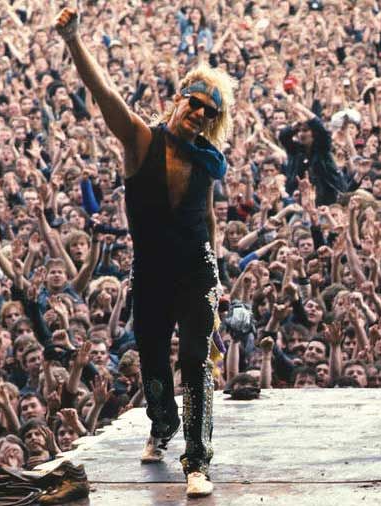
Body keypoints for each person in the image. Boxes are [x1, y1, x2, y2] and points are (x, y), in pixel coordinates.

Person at [56, 7, 236, 497]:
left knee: (197, 361)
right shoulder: (141, 139)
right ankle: (162, 423)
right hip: (153, 271)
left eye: (209, 112)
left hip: (196, 269)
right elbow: (105, 95)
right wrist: (74, 41)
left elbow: (209, 215)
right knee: (152, 356)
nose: (199, 114)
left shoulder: (208, 161)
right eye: (194, 103)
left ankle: (196, 460)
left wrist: (216, 273)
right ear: (177, 100)